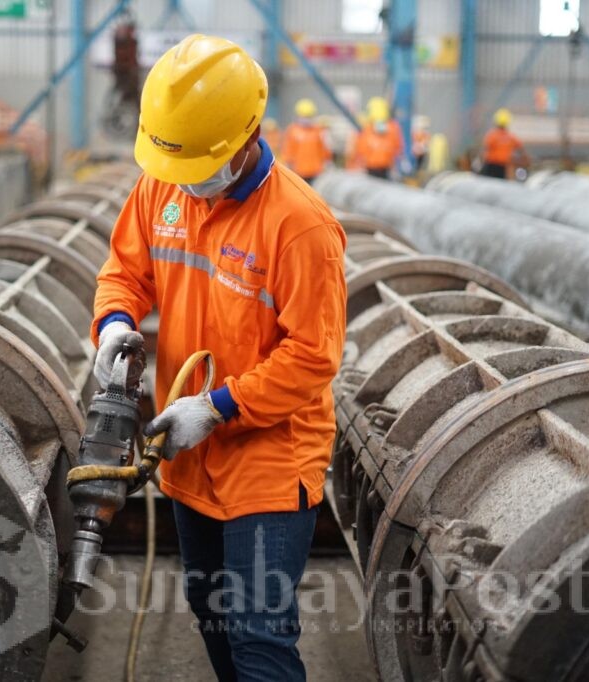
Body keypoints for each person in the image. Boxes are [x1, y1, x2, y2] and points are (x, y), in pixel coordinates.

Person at [91, 34, 347, 682]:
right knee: (208, 607)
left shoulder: (300, 225)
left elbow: (314, 357)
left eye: (200, 165)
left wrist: (220, 406)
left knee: (259, 633)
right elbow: (124, 271)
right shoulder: (164, 187)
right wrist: (115, 326)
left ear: (248, 135)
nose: (187, 184)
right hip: (191, 449)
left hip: (269, 452)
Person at [347, 96, 403, 179]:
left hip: (372, 167)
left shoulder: (368, 129)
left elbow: (360, 149)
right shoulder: (393, 128)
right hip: (385, 167)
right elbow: (398, 148)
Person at [278, 98, 332, 184]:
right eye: (304, 116)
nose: (307, 119)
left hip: (316, 172)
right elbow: (288, 151)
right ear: (298, 116)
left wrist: (327, 162)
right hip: (298, 172)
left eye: (309, 116)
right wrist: (288, 167)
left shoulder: (318, 131)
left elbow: (324, 150)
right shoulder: (292, 131)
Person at [481, 108, 529, 179]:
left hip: (490, 166)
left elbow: (485, 152)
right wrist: (525, 162)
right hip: (503, 168)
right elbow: (522, 152)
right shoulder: (511, 137)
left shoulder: (491, 136)